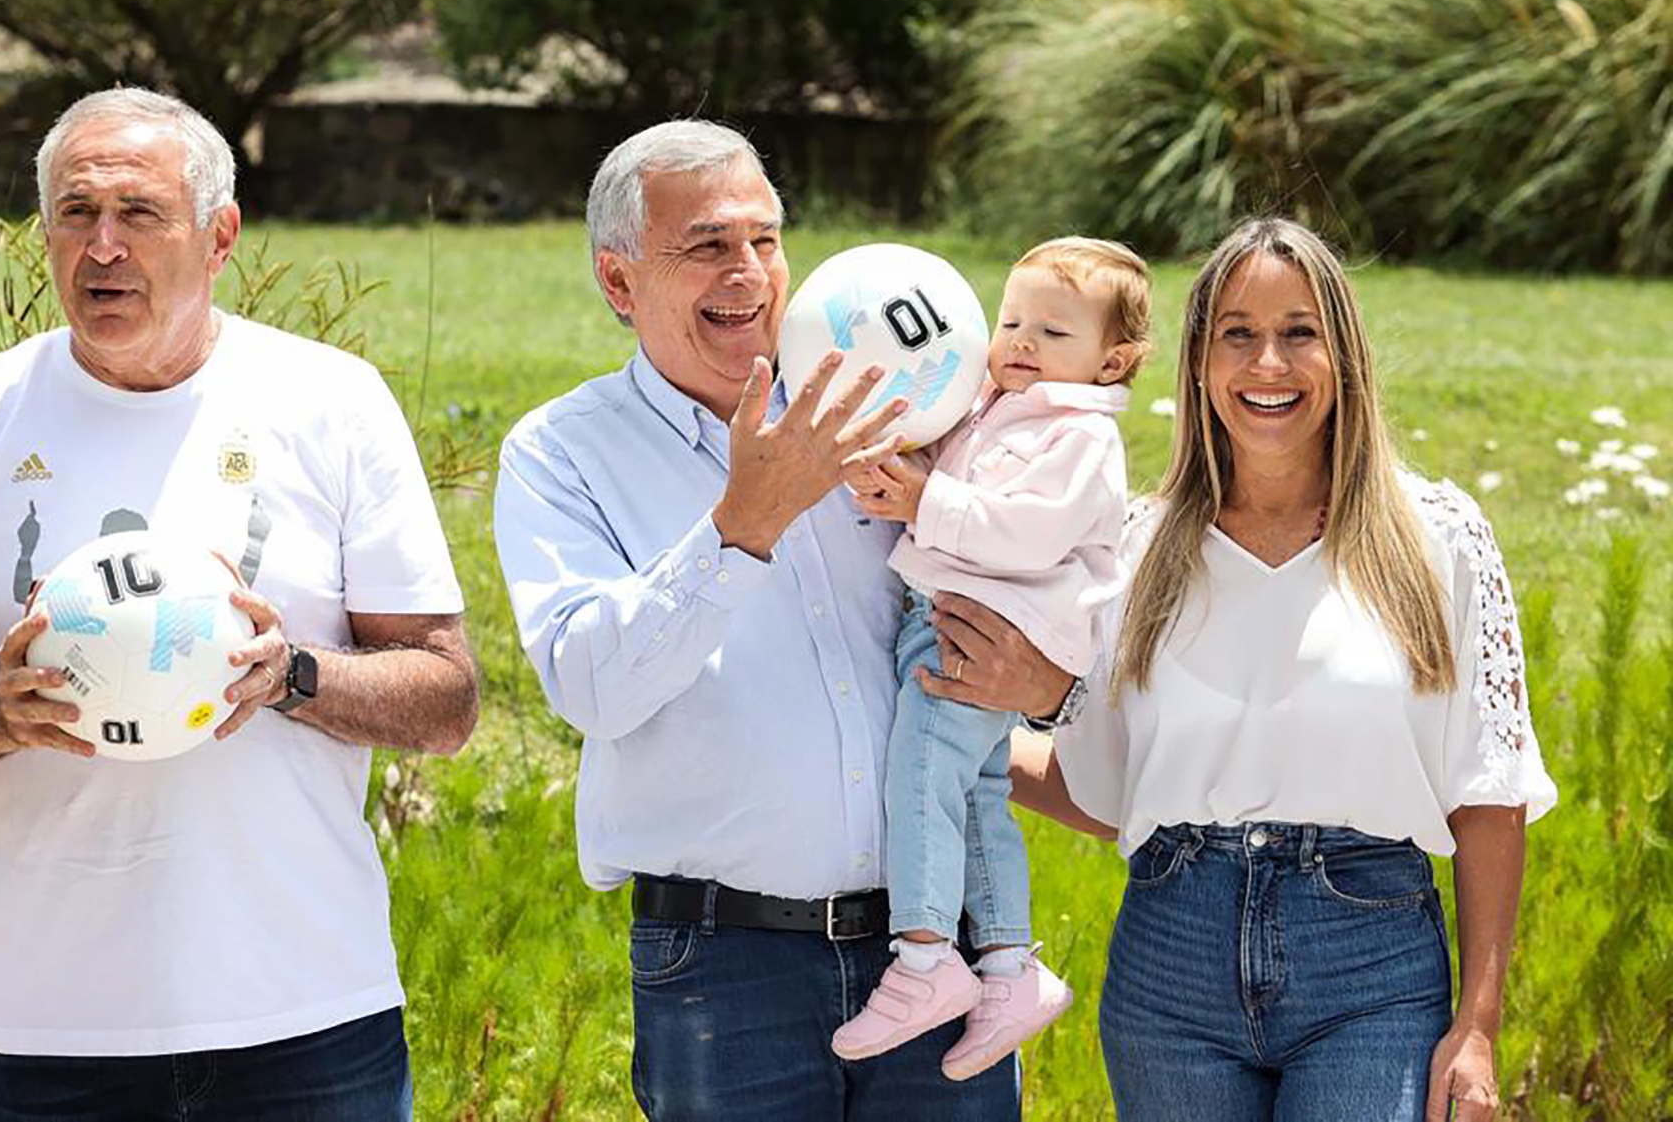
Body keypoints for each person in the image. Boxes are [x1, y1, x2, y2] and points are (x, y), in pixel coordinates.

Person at [0, 87, 478, 1119]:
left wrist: (292, 676)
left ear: (219, 237)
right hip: (46, 1037)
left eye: (140, 215)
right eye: (77, 215)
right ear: (44, 237)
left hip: (306, 1023)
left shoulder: (333, 402)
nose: (104, 248)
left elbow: (446, 698)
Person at [492, 120, 1073, 1119]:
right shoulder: (561, 453)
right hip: (726, 965)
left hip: (937, 947)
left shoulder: (906, 412)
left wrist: (1048, 689)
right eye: (708, 246)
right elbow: (590, 687)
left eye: (765, 240)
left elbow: (1042, 597)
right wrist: (744, 523)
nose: (751, 274)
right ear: (619, 282)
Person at [983, 217, 1556, 1120]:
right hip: (1170, 961)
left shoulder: (1438, 538)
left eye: (1299, 333)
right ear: (1200, 362)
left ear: (1345, 354)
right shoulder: (1134, 547)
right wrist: (967, 742)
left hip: (1371, 966)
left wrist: (1478, 1026)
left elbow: (1489, 791)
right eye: (1238, 335)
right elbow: (1109, 793)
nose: (1268, 366)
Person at [832, 238, 1152, 1080]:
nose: (1018, 340)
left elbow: (1030, 530)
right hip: (957, 615)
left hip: (980, 631)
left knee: (923, 771)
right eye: (1011, 319)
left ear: (1111, 360)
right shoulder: (998, 406)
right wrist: (910, 471)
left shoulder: (1080, 436)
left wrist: (924, 499)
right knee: (977, 792)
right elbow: (955, 470)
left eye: (1051, 330)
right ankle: (1009, 968)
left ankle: (928, 956)